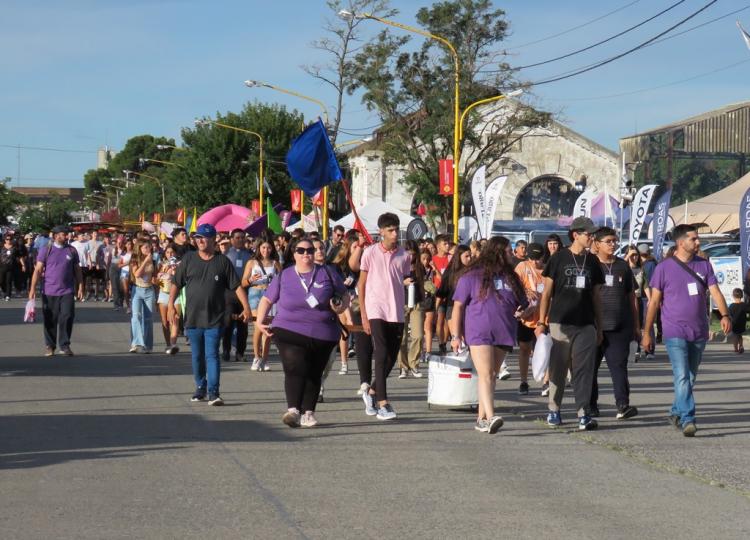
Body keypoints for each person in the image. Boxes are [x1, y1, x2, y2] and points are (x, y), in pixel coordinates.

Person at [642, 225, 731, 437]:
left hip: (698, 329)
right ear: (681, 243)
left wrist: (725, 315)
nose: (698, 242)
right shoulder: (663, 268)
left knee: (690, 377)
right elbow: (654, 302)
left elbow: (716, 292)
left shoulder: (704, 265)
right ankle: (688, 418)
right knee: (681, 375)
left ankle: (675, 411)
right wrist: (646, 332)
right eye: (694, 239)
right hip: (674, 330)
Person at [254, 238, 350, 427]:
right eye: (301, 250)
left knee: (314, 372)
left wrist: (340, 307)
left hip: (323, 332)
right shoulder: (285, 275)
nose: (306, 254)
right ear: (294, 254)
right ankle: (293, 410)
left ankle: (308, 412)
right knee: (295, 365)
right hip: (289, 328)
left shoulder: (327, 273)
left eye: (310, 251)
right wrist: (259, 321)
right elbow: (267, 299)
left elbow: (345, 295)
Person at [450, 236, 527, 434]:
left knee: (492, 375)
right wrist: (455, 335)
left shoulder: (511, 277)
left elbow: (524, 304)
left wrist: (525, 311)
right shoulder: (471, 276)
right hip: (479, 331)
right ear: (498, 252)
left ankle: (481, 418)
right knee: (485, 374)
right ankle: (491, 416)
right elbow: (457, 306)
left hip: (504, 330)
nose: (511, 254)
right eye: (509, 251)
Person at [169, 224, 251, 406]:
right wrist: (171, 306)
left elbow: (236, 286)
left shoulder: (222, 262)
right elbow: (176, 283)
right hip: (192, 318)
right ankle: (200, 387)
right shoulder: (189, 259)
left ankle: (214, 392)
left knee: (212, 355)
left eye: (204, 237)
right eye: (197, 237)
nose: (200, 240)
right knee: (197, 356)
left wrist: (247, 308)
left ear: (214, 240)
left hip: (215, 318)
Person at [535, 217, 604, 430]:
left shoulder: (592, 262)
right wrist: (541, 321)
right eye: (588, 234)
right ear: (575, 234)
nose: (591, 237)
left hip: (585, 324)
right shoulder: (558, 258)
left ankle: (584, 413)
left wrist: (599, 326)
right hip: (559, 322)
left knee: (583, 370)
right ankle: (554, 410)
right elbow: (546, 294)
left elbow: (596, 297)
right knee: (558, 369)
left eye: (592, 234)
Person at [357, 213, 412, 420]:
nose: (394, 233)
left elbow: (404, 278)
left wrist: (410, 283)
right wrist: (363, 314)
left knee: (390, 356)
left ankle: (371, 391)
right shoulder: (370, 253)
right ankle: (383, 402)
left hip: (396, 310)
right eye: (390, 230)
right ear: (381, 231)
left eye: (396, 229)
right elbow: (361, 284)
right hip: (375, 308)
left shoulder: (405, 256)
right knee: (380, 353)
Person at [590, 227, 640, 420]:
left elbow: (632, 297)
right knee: (590, 368)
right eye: (608, 241)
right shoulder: (591, 265)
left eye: (614, 241)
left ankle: (623, 404)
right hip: (594, 326)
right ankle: (591, 405)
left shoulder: (622, 266)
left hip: (620, 326)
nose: (612, 245)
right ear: (597, 244)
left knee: (618, 367)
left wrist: (636, 325)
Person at [28, 226, 84, 356]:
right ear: (56, 236)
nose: (67, 237)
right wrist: (32, 289)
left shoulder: (71, 250)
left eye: (67, 234)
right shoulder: (46, 250)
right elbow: (38, 270)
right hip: (49, 290)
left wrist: (81, 286)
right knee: (50, 319)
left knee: (67, 316)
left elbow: (77, 270)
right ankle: (50, 346)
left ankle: (65, 345)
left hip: (67, 290)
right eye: (64, 234)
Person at [242, 237, 281, 370]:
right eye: (263, 247)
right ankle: (256, 357)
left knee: (268, 329)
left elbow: (282, 281)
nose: (266, 250)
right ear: (259, 248)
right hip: (255, 294)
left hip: (270, 296)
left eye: (268, 247)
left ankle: (264, 359)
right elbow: (243, 283)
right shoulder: (252, 262)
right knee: (259, 326)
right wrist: (251, 279)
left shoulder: (275, 263)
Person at [514, 242, 546, 395]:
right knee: (524, 348)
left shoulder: (548, 269)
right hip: (527, 316)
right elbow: (513, 284)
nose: (534, 262)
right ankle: (523, 381)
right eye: (532, 258)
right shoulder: (522, 267)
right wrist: (526, 290)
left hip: (544, 316)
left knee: (545, 349)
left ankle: (546, 381)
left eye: (538, 259)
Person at [222, 229, 253, 363]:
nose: (240, 240)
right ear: (231, 239)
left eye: (242, 237)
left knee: (243, 326)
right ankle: (226, 350)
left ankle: (240, 352)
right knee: (227, 323)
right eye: (237, 237)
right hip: (229, 293)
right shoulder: (226, 255)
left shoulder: (250, 256)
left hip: (245, 293)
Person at [397, 247, 425, 379]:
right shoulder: (398, 265)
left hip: (417, 303)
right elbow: (391, 282)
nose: (411, 256)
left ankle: (414, 364)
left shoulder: (420, 267)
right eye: (409, 253)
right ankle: (403, 367)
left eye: (413, 254)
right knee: (401, 338)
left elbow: (423, 283)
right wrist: (403, 282)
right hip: (401, 302)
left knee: (418, 335)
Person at [129, 239, 156, 353]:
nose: (148, 249)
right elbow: (137, 274)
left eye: (149, 247)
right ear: (140, 248)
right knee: (136, 317)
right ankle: (135, 343)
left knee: (148, 319)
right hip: (137, 290)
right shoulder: (135, 259)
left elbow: (155, 275)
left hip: (149, 290)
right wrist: (145, 261)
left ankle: (147, 345)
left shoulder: (153, 260)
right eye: (145, 247)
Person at [626, 245, 650, 361]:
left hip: (638, 299)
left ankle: (636, 350)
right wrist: (627, 257)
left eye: (636, 255)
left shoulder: (641, 270)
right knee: (627, 326)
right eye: (632, 255)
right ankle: (627, 350)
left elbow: (645, 286)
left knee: (638, 325)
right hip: (626, 301)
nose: (634, 257)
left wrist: (650, 299)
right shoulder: (623, 268)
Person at [156, 245, 179, 354]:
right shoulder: (161, 264)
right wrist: (163, 275)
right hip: (163, 294)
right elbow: (157, 281)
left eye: (172, 252)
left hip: (176, 295)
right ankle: (168, 344)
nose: (170, 254)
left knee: (174, 319)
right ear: (165, 254)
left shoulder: (179, 264)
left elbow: (183, 279)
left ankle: (173, 344)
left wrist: (175, 271)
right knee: (165, 322)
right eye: (168, 252)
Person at [432, 234, 452, 353]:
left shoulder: (451, 258)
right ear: (438, 246)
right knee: (440, 319)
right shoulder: (433, 259)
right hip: (438, 293)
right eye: (445, 243)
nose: (448, 245)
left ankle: (444, 342)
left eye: (448, 243)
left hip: (450, 293)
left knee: (448, 321)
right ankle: (440, 343)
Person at [1, 232, 24, 300]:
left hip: (11, 267)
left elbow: (20, 257)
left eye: (10, 239)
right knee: (1, 281)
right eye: (7, 239)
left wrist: (23, 265)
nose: (9, 240)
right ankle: (5, 291)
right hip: (2, 266)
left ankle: (8, 295)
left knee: (8, 281)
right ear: (5, 239)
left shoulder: (15, 248)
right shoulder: (1, 246)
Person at [70, 232, 91, 301]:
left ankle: (82, 295)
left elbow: (88, 254)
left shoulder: (87, 243)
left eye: (83, 236)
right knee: (76, 280)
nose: (83, 237)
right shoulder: (73, 244)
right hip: (76, 265)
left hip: (84, 264)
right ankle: (75, 295)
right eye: (81, 236)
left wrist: (89, 262)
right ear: (78, 237)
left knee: (83, 281)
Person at [728, 288, 747, 354]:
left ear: (733, 296)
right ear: (742, 296)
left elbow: (729, 315)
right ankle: (741, 346)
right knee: (740, 335)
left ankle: (736, 348)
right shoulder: (744, 305)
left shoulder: (731, 306)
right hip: (742, 323)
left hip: (734, 323)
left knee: (735, 336)